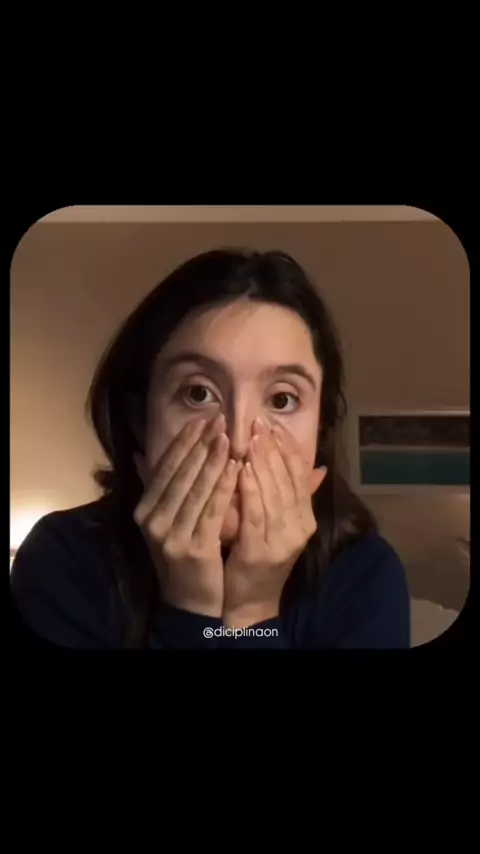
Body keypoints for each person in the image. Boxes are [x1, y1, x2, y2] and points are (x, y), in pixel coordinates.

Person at [11, 248, 410, 649]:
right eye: (198, 393)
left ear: (319, 429)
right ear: (140, 422)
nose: (238, 442)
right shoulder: (62, 558)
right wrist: (188, 610)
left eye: (282, 399)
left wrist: (252, 612)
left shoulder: (365, 575)